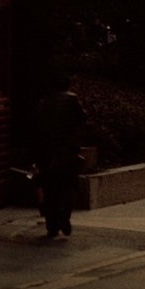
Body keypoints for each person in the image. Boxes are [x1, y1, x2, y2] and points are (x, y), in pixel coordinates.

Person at [35, 69, 87, 241]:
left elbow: (37, 128)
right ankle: (64, 217)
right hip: (67, 152)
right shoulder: (72, 100)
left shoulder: (43, 102)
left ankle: (52, 225)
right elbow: (83, 119)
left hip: (46, 153)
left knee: (50, 190)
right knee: (68, 187)